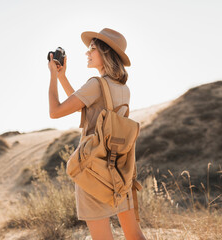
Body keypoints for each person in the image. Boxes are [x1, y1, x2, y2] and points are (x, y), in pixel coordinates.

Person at [48, 28, 146, 240]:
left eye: (92, 49)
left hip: (93, 168)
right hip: (120, 169)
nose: (87, 53)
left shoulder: (95, 84)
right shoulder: (123, 88)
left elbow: (55, 111)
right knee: (134, 235)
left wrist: (53, 76)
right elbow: (83, 104)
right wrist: (63, 77)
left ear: (106, 53)